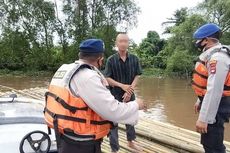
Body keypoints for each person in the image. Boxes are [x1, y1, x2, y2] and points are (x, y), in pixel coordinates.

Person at [44, 39, 145, 153]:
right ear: (100, 59)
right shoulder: (88, 76)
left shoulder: (65, 69)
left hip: (64, 132)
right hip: (81, 141)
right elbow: (112, 111)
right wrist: (136, 105)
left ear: (80, 55)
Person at [192, 23, 230, 153]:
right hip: (213, 103)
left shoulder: (218, 58)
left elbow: (215, 90)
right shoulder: (211, 54)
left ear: (206, 40)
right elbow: (208, 83)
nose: (196, 43)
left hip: (218, 105)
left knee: (213, 145)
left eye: (198, 40)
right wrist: (199, 100)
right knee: (210, 142)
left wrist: (204, 119)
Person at [104, 33, 142, 153]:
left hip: (130, 94)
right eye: (121, 41)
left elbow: (137, 75)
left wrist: (129, 90)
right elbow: (107, 79)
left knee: (130, 118)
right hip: (114, 95)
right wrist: (122, 86)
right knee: (113, 122)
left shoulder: (135, 59)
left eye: (125, 41)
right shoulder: (111, 60)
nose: (123, 43)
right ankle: (114, 149)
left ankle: (131, 141)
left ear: (128, 43)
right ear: (116, 43)